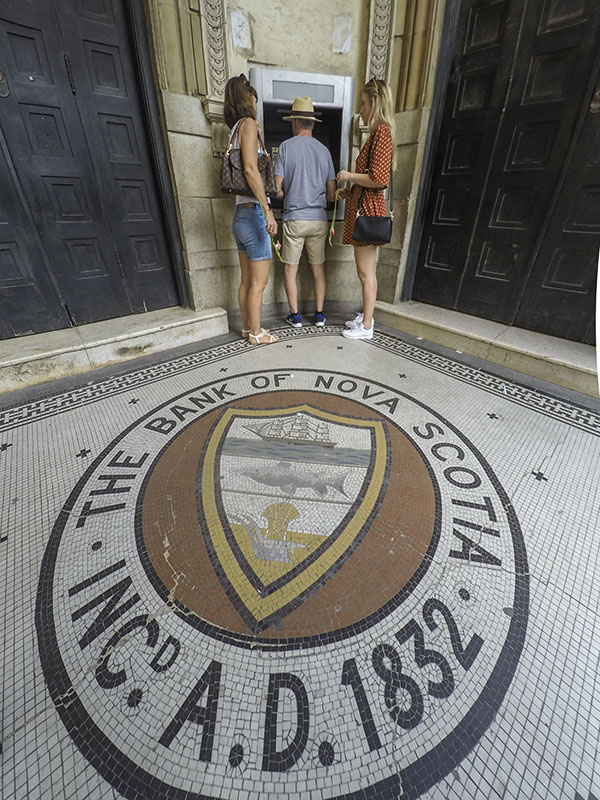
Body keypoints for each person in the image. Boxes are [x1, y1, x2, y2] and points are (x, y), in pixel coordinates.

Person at [336, 78, 395, 340]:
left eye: (363, 103)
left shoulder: (381, 132)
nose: (361, 109)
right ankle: (366, 316)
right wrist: (350, 191)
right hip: (364, 206)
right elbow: (371, 180)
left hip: (368, 211)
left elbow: (379, 179)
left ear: (375, 101)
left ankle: (368, 325)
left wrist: (349, 176)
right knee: (364, 270)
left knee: (365, 271)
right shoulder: (377, 133)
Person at [224, 74, 278, 345]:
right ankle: (257, 333)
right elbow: (250, 168)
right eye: (253, 97)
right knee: (259, 282)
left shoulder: (233, 129)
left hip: (239, 215)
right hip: (254, 213)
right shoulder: (248, 125)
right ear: (247, 98)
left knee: (246, 281)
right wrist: (268, 210)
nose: (256, 102)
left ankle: (247, 328)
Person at [274, 97, 336, 328]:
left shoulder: (285, 147)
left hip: (294, 220)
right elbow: (331, 195)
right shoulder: (324, 151)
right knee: (318, 268)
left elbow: (277, 189)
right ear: (312, 123)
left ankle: (296, 316)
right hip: (319, 220)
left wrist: (288, 191)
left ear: (294, 122)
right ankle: (320, 315)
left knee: (291, 269)